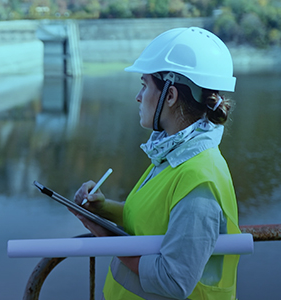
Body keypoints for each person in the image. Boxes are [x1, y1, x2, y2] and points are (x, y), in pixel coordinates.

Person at [71, 27, 241, 300]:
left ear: (170, 96)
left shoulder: (200, 180)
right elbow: (154, 220)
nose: (138, 97)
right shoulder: (175, 153)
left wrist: (105, 237)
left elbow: (173, 280)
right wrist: (103, 209)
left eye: (144, 85)